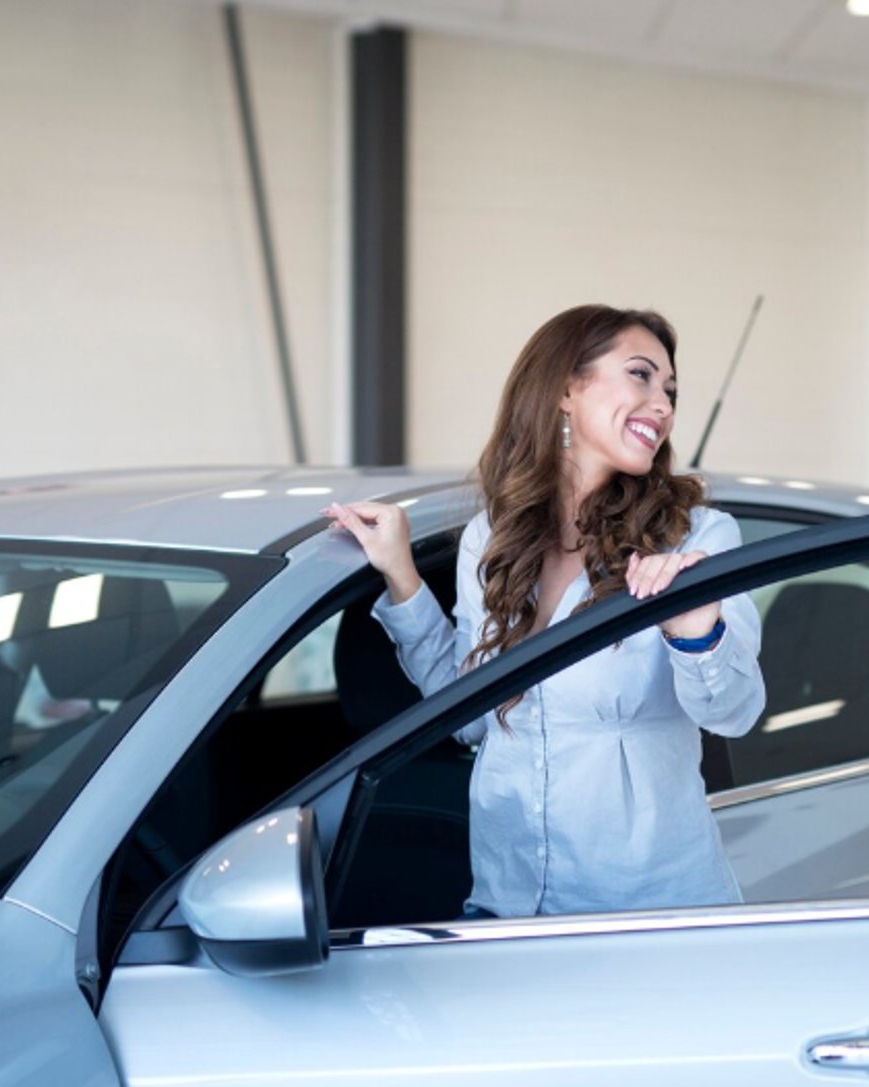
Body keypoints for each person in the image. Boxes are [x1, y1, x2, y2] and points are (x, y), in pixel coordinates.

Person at [327, 303, 765, 920]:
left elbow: (735, 712)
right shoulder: (494, 536)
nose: (663, 404)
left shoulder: (696, 538)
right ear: (565, 387)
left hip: (645, 916)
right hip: (507, 900)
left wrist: (695, 633)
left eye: (670, 389)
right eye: (640, 375)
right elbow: (471, 717)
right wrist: (401, 575)